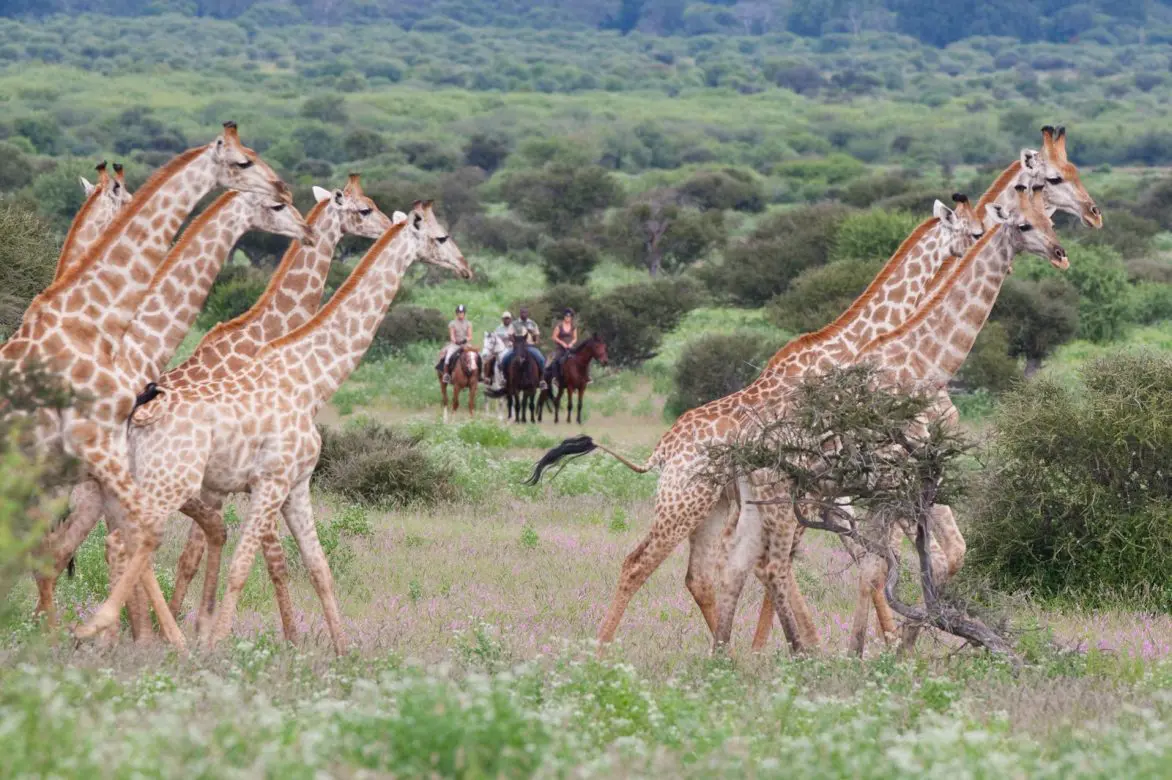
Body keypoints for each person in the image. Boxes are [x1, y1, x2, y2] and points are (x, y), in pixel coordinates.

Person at [500, 306, 547, 388]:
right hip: (517, 346)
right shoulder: (514, 324)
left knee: (541, 358)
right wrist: (515, 342)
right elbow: (510, 335)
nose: (524, 314)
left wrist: (533, 335)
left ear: (528, 313)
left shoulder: (532, 323)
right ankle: (504, 379)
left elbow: (537, 337)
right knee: (505, 358)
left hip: (530, 346)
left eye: (525, 312)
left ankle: (542, 380)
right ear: (520, 313)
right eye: (522, 312)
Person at [437, 304, 471, 384]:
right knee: (448, 357)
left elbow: (470, 336)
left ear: (464, 313)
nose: (460, 314)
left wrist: (465, 340)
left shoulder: (468, 323)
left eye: (462, 313)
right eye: (459, 312)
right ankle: (446, 375)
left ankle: (478, 375)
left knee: (476, 355)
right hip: (455, 344)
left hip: (465, 344)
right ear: (456, 313)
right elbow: (452, 335)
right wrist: (455, 341)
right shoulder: (452, 323)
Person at [548, 308, 578, 388]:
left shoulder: (573, 327)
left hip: (570, 347)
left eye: (569, 316)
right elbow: (554, 337)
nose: (568, 318)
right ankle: (555, 378)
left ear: (571, 317)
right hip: (561, 348)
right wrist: (562, 343)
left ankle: (584, 377)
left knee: (581, 357)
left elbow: (575, 338)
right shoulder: (559, 326)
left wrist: (571, 343)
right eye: (566, 316)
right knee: (556, 360)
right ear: (564, 317)